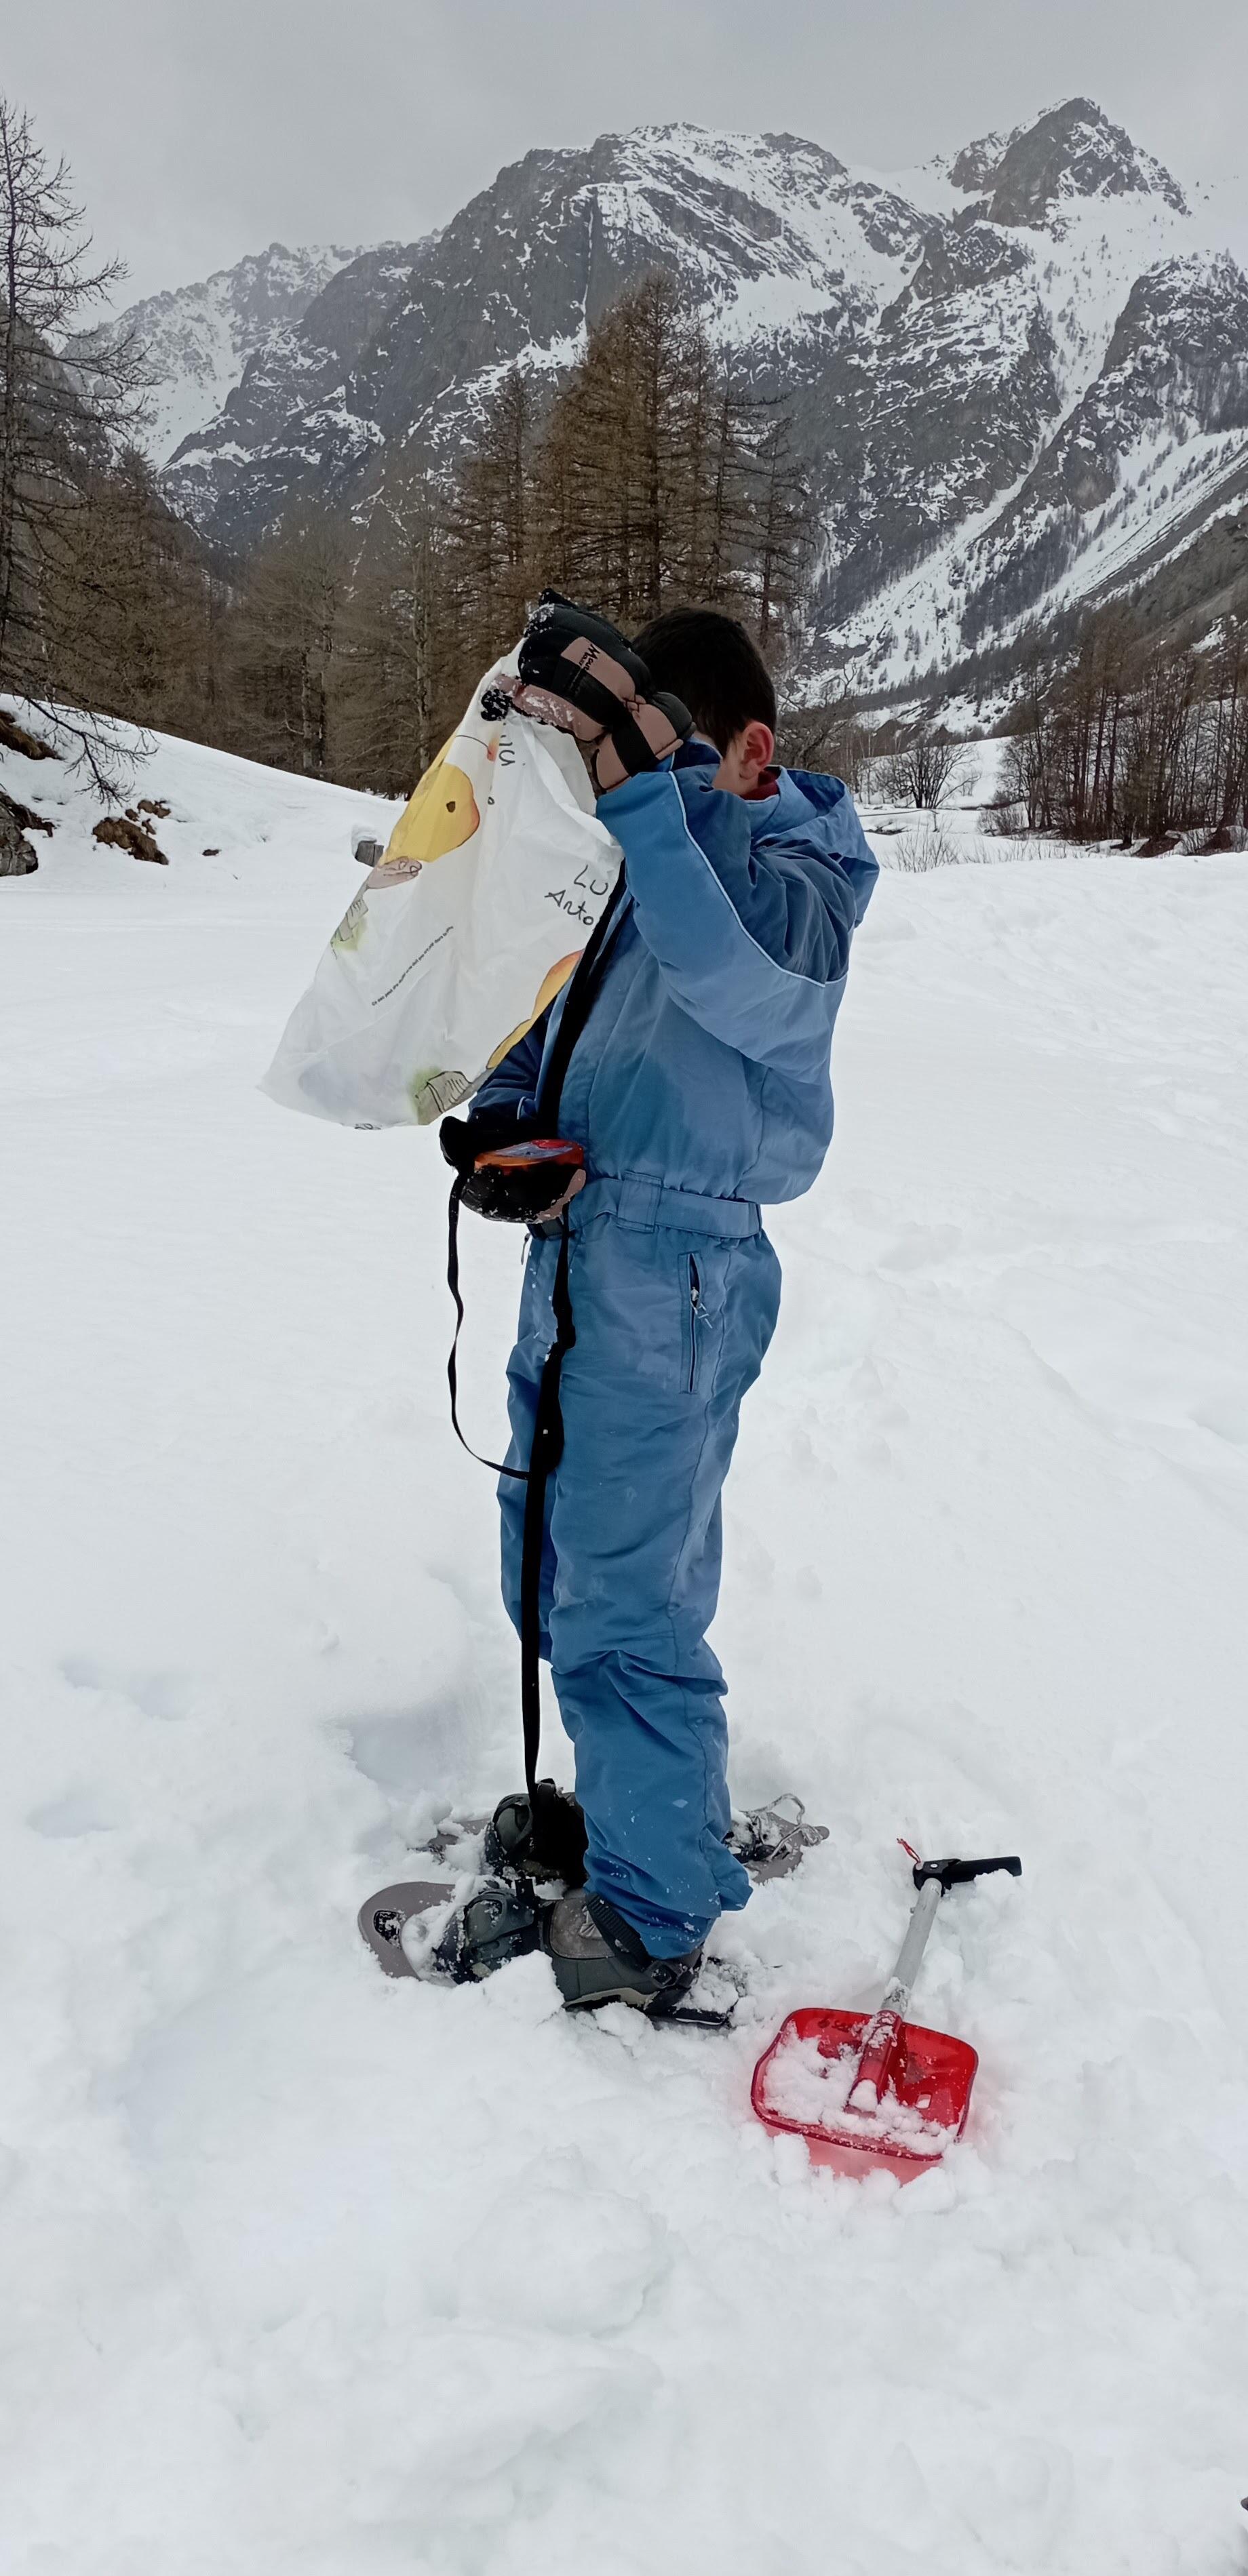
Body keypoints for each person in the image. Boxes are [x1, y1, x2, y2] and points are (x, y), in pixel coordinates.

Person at [471, 604, 878, 2010]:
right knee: (547, 1556)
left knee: (625, 1598)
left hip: (677, 1274)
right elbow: (555, 1013)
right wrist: (506, 1121)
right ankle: (637, 1814)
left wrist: (651, 794)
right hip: (578, 1255)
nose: (632, 804)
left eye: (667, 770)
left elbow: (730, 973)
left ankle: (648, 1922)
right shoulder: (630, 862)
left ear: (752, 754)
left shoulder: (797, 882)